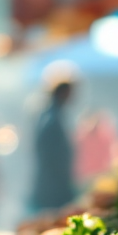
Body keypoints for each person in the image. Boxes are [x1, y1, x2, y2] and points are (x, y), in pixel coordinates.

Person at [30, 80, 75, 211]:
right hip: (52, 184)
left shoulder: (51, 114)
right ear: (63, 93)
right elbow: (48, 153)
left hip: (52, 182)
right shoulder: (51, 118)